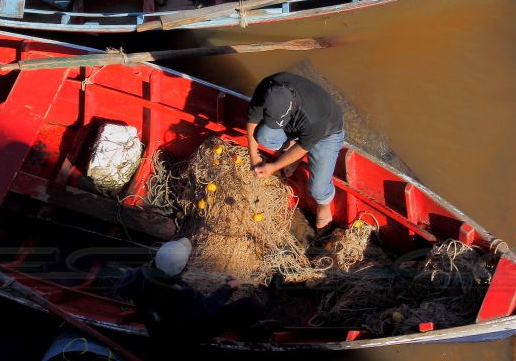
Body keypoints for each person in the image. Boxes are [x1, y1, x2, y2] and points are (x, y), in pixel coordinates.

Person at [114, 238, 263, 344]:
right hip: (180, 335)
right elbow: (206, 310)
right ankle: (247, 339)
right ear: (181, 270)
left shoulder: (136, 276)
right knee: (251, 305)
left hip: (156, 326)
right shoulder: (183, 294)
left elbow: (120, 288)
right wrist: (228, 288)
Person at [246, 72, 345, 231]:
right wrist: (253, 155)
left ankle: (324, 207)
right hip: (298, 127)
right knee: (264, 136)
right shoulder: (267, 88)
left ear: (291, 107)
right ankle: (291, 146)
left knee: (318, 189)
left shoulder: (316, 118)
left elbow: (303, 147)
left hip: (326, 134)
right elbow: (253, 119)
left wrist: (274, 167)